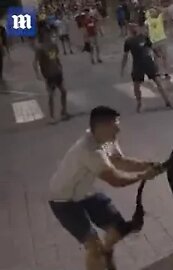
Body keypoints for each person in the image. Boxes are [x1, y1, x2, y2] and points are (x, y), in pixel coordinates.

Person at [48, 106, 162, 270]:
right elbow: (116, 180)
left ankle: (106, 254)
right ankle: (99, 257)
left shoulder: (106, 141)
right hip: (63, 200)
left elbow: (120, 162)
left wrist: (149, 166)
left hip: (85, 193)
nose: (119, 129)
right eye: (115, 125)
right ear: (101, 127)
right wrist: (143, 176)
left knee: (117, 227)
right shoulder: (89, 150)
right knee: (93, 245)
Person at [121, 23, 173, 112]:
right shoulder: (128, 41)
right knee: (136, 86)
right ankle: (139, 103)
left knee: (158, 82)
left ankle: (167, 101)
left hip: (148, 63)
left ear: (137, 28)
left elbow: (152, 47)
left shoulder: (144, 37)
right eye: (131, 28)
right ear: (129, 30)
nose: (134, 29)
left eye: (135, 27)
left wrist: (159, 54)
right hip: (137, 65)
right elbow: (125, 56)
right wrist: (123, 67)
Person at [33, 30, 70, 123]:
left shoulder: (53, 45)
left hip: (57, 73)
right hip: (49, 75)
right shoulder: (40, 49)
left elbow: (55, 57)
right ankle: (52, 116)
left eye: (48, 35)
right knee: (50, 95)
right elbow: (35, 62)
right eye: (46, 35)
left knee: (64, 91)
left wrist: (59, 65)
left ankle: (64, 111)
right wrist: (37, 74)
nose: (48, 37)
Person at [144, 7, 170, 79]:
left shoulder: (148, 21)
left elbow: (146, 31)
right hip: (162, 40)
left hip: (154, 41)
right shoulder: (159, 18)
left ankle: (158, 72)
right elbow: (164, 11)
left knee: (156, 58)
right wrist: (157, 7)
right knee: (164, 57)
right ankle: (166, 72)